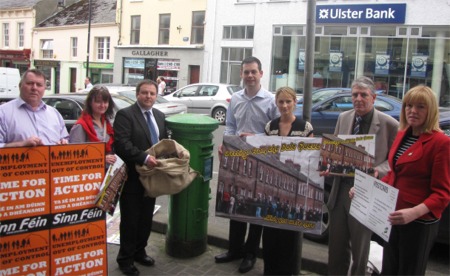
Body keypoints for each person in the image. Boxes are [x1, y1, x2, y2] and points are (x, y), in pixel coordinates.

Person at [324, 76, 399, 275]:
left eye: (363, 95)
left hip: (367, 192)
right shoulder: (344, 117)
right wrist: (328, 164)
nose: (358, 99)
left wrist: (378, 171)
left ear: (373, 98)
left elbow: (394, 160)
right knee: (336, 248)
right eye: (354, 95)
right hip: (341, 191)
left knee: (361, 249)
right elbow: (337, 152)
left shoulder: (389, 124)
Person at [215, 56, 279, 273]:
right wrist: (226, 143)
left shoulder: (271, 101)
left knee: (255, 209)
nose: (250, 76)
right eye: (246, 72)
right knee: (236, 204)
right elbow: (231, 126)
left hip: (261, 160)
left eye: (253, 72)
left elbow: (278, 133)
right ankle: (235, 249)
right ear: (241, 74)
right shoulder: (235, 98)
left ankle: (250, 253)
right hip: (238, 158)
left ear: (261, 74)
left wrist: (256, 136)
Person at [379, 85, 450, 275]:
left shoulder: (441, 143)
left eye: (420, 107)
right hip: (393, 216)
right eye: (408, 106)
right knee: (389, 270)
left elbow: (442, 194)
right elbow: (393, 174)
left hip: (418, 224)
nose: (412, 111)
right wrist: (367, 191)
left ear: (431, 111)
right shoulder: (402, 134)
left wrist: (413, 212)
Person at [113, 79, 167, 276]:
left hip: (152, 178)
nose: (148, 97)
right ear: (137, 94)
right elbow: (122, 143)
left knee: (146, 218)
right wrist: (144, 158)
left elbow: (163, 142)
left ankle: (139, 252)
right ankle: (125, 260)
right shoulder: (125, 115)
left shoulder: (160, 116)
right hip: (133, 178)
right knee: (130, 220)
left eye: (152, 93)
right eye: (144, 93)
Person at [263, 86, 313, 275]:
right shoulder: (270, 126)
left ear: (295, 102)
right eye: (281, 101)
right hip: (272, 188)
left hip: (293, 191)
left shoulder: (305, 128)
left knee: (289, 240)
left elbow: (310, 158)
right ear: (276, 103)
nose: (284, 105)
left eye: (288, 101)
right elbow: (265, 152)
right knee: (270, 238)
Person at [0, 69, 69, 148]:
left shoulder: (54, 113)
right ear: (20, 85)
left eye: (39, 85)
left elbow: (65, 139)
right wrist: (21, 144)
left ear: (44, 89)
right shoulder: (3, 113)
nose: (34, 88)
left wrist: (63, 143)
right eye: (30, 83)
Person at [69, 85, 117, 167]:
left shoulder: (107, 122)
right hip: (90, 174)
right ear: (90, 102)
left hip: (106, 173)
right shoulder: (81, 126)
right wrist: (101, 159)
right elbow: (75, 156)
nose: (102, 105)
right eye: (98, 102)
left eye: (105, 102)